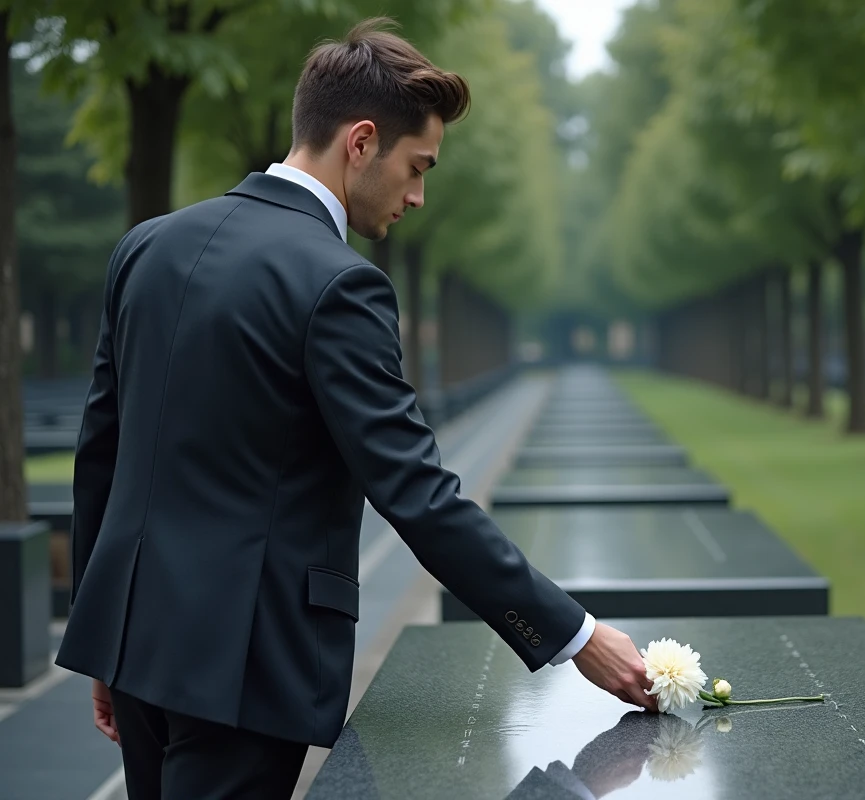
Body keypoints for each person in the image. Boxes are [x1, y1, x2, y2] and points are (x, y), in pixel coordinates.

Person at [54, 17, 656, 800]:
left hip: (137, 650)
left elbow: (101, 449)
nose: (419, 195)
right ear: (361, 141)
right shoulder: (339, 284)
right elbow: (418, 494)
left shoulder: (145, 247)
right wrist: (576, 636)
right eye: (417, 166)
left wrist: (105, 639)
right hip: (245, 662)